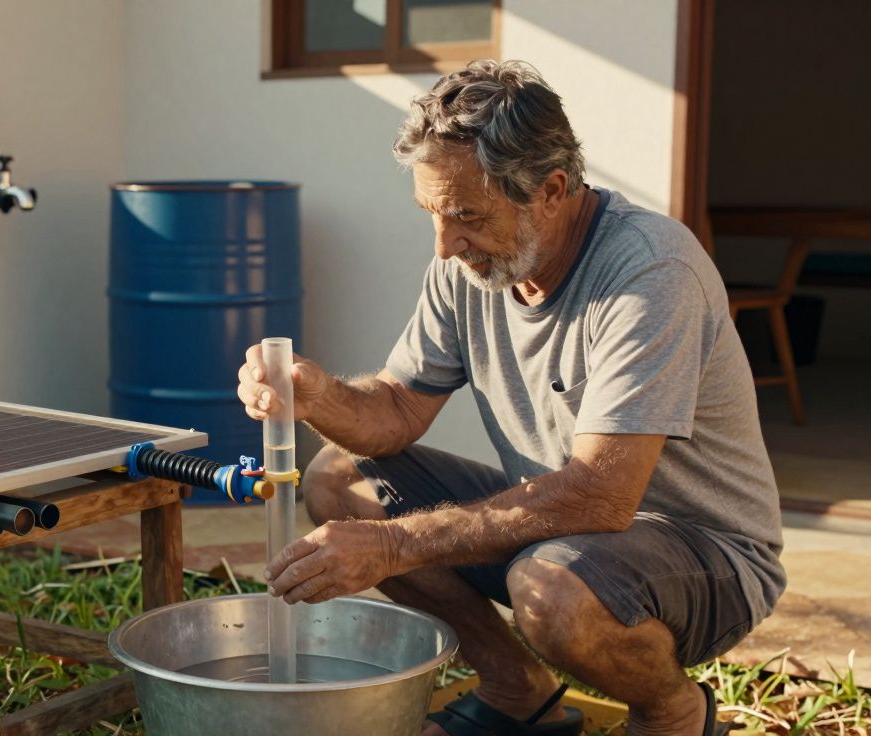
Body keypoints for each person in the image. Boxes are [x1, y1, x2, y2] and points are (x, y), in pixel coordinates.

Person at [235, 60, 784, 736]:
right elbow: (396, 412)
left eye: (467, 215)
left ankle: (676, 713)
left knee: (548, 590)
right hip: (567, 532)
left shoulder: (650, 272)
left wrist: (392, 547)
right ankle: (516, 689)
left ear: (552, 190)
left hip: (707, 555)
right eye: (432, 213)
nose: (445, 244)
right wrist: (316, 395)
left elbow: (600, 497)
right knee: (340, 479)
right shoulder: (473, 264)